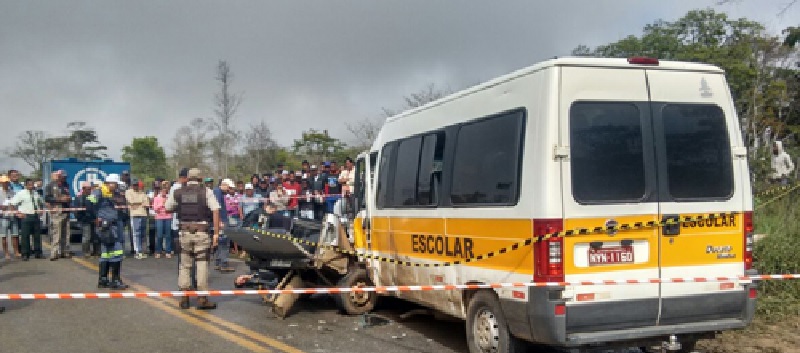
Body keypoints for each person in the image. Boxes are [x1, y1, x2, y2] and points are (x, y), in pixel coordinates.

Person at [165, 168, 220, 310]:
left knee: (185, 265)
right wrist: (216, 234)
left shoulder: (178, 192)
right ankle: (202, 299)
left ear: (187, 178)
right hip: (202, 232)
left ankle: (184, 297)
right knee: (201, 264)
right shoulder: (206, 191)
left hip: (184, 232)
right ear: (200, 178)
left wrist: (180, 207)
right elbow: (215, 210)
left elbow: (167, 208)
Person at [89, 173, 129, 290]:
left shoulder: (110, 193)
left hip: (110, 225)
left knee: (105, 253)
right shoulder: (99, 192)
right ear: (109, 183)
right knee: (117, 251)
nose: (116, 186)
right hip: (107, 227)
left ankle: (103, 279)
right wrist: (96, 217)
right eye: (115, 184)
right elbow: (89, 203)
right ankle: (115, 280)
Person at [10, 179, 45, 260]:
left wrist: (41, 210)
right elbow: (12, 204)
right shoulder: (21, 194)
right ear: (26, 185)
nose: (31, 186)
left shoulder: (36, 193)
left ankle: (38, 252)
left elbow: (41, 202)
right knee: (25, 236)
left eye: (32, 184)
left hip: (35, 216)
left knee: (37, 236)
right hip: (25, 216)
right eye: (29, 185)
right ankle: (25, 253)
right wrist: (17, 213)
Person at [45, 170, 72, 260]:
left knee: (66, 233)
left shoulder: (66, 185)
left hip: (66, 211)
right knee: (57, 233)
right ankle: (54, 253)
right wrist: (59, 199)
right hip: (57, 211)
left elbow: (68, 195)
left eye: (65, 177)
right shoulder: (51, 185)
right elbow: (47, 198)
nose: (64, 178)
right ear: (58, 176)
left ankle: (65, 251)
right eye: (62, 177)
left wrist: (68, 198)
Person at [125, 179, 150, 259]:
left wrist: (137, 203)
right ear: (132, 185)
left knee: (143, 233)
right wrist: (140, 203)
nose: (136, 186)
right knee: (136, 233)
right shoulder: (128, 192)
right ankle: (137, 251)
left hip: (143, 214)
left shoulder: (142, 192)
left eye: (137, 185)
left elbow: (147, 203)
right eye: (134, 185)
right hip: (134, 214)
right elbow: (131, 201)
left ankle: (143, 251)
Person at [73, 182, 98, 258]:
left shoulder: (92, 197)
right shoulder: (79, 198)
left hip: (94, 220)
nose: (89, 190)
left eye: (90, 189)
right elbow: (77, 211)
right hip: (85, 220)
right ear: (83, 189)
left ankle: (96, 251)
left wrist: (96, 218)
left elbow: (96, 207)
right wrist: (81, 219)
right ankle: (86, 252)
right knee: (86, 237)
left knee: (96, 237)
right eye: (88, 189)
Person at [213, 178, 233, 272]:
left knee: (219, 242)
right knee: (224, 243)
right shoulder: (218, 192)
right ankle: (223, 264)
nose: (229, 191)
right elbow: (217, 208)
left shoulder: (218, 192)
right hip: (221, 221)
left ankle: (218, 262)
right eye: (229, 188)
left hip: (220, 220)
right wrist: (220, 221)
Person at [0, 175, 21, 259]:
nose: (6, 184)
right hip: (3, 217)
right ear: (1, 183)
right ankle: (6, 253)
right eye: (4, 182)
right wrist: (2, 207)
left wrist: (16, 210)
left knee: (15, 235)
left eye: (7, 182)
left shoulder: (12, 192)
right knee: (4, 235)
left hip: (12, 215)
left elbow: (16, 203)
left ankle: (16, 252)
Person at [152, 181, 173, 259]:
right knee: (159, 235)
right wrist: (162, 204)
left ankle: (168, 251)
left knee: (168, 235)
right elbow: (155, 208)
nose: (164, 192)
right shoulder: (157, 198)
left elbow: (171, 207)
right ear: (160, 190)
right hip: (159, 218)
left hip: (168, 217)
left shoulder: (169, 198)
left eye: (165, 190)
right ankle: (158, 251)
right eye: (163, 190)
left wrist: (166, 205)